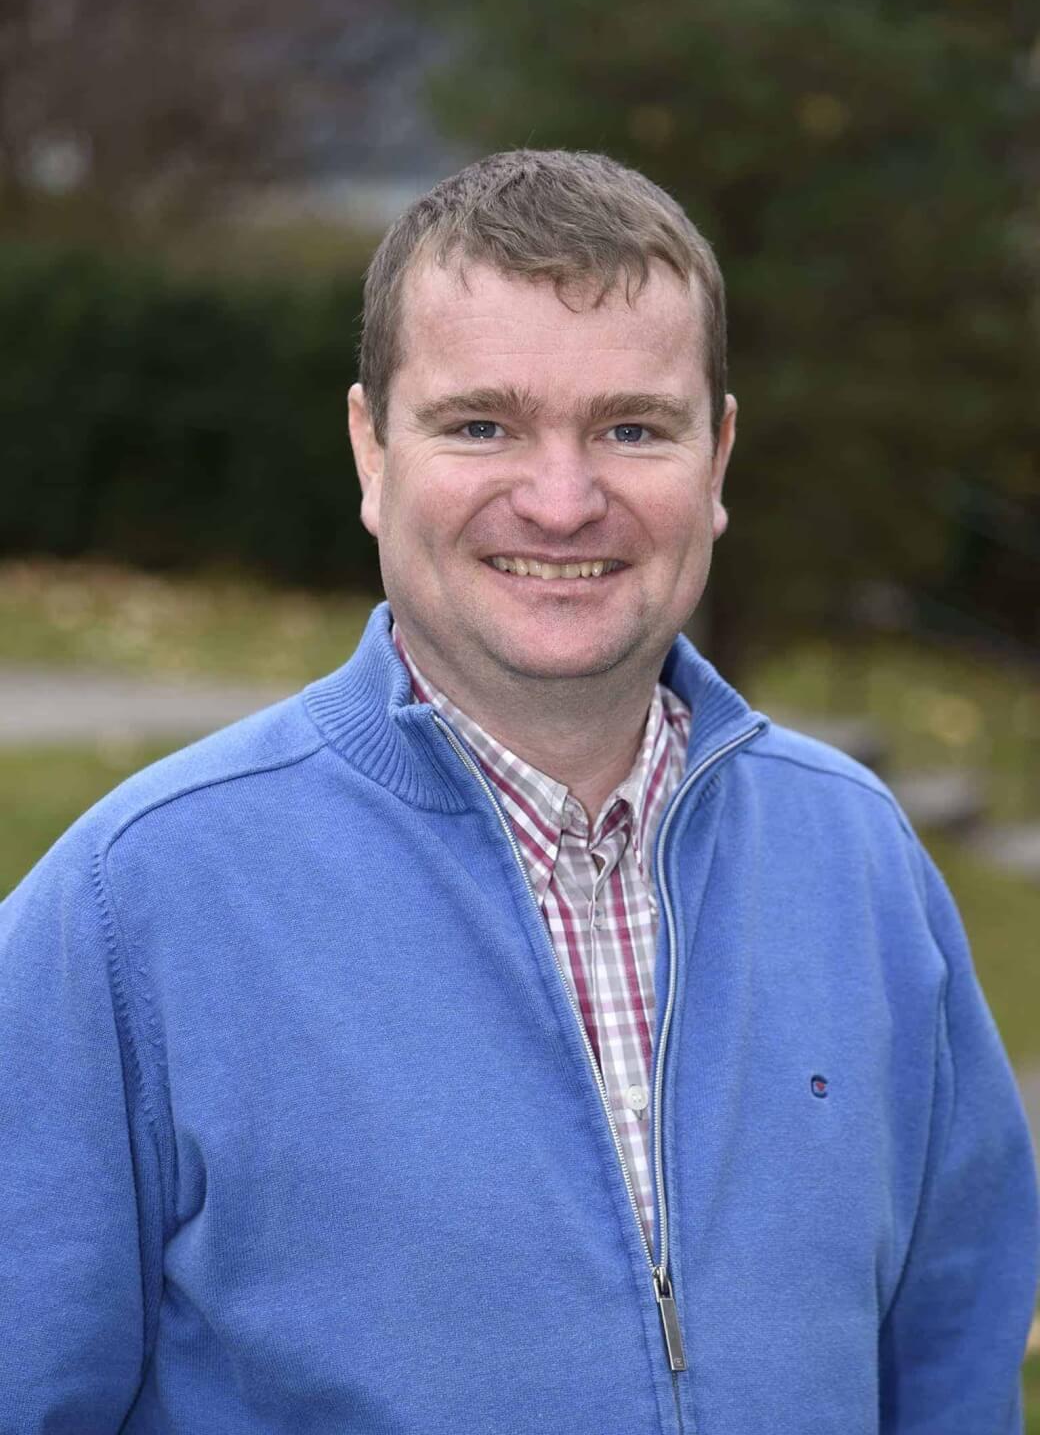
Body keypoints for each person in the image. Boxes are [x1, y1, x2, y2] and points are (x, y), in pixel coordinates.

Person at [1, 149, 1036, 1435]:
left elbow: (951, 1361)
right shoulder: (132, 908)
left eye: (631, 428)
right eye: (480, 424)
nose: (560, 501)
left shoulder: (857, 858)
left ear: (715, 458)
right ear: (371, 448)